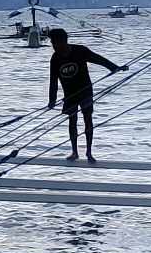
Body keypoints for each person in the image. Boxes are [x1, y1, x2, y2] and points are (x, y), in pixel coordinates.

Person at [45, 28, 124, 163]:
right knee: (72, 121)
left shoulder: (80, 51)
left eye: (55, 43)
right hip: (69, 95)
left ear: (63, 41)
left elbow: (99, 59)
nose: (53, 46)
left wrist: (114, 67)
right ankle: (74, 152)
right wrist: (51, 100)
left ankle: (89, 152)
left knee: (88, 119)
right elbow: (53, 81)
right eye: (52, 43)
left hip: (85, 91)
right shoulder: (55, 58)